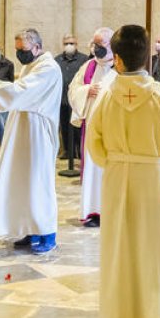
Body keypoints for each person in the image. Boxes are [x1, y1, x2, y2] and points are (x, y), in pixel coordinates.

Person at [87, 24, 160, 318]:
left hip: (117, 178)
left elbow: (94, 148)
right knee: (156, 251)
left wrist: (120, 160)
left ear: (117, 58)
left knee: (120, 251)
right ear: (147, 56)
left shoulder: (106, 98)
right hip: (156, 181)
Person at [0, 28, 63, 254]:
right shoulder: (30, 66)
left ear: (37, 47)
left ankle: (46, 232)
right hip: (23, 128)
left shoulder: (48, 68)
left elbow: (19, 92)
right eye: (17, 50)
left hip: (38, 131)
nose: (20, 54)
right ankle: (28, 228)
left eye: (22, 50)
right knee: (23, 180)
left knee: (38, 181)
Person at [68, 28, 117, 227]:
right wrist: (88, 90)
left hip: (112, 128)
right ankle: (92, 211)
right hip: (91, 126)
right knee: (92, 171)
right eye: (94, 44)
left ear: (112, 45)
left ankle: (110, 211)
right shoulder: (88, 66)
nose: (96, 48)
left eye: (101, 44)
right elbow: (73, 89)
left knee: (109, 171)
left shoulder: (120, 66)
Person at [56, 35, 86, 174]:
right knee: (64, 126)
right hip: (62, 99)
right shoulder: (57, 60)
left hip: (77, 100)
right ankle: (67, 152)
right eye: (67, 43)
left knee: (78, 126)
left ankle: (79, 152)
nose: (69, 45)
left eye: (72, 43)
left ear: (76, 44)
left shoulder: (84, 59)